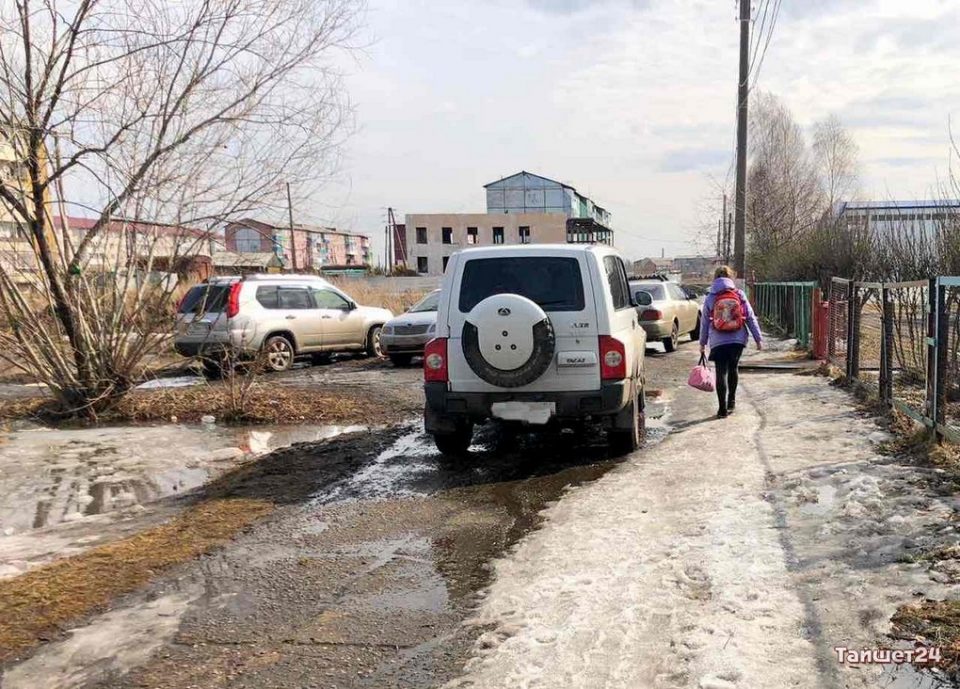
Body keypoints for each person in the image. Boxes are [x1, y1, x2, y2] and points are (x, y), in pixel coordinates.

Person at [698, 266, 762, 418]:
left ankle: (722, 409)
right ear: (731, 277)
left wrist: (702, 343)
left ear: (715, 278)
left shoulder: (710, 297)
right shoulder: (739, 294)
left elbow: (705, 322)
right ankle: (731, 402)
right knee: (733, 368)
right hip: (737, 339)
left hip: (718, 341)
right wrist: (758, 338)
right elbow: (750, 317)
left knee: (721, 372)